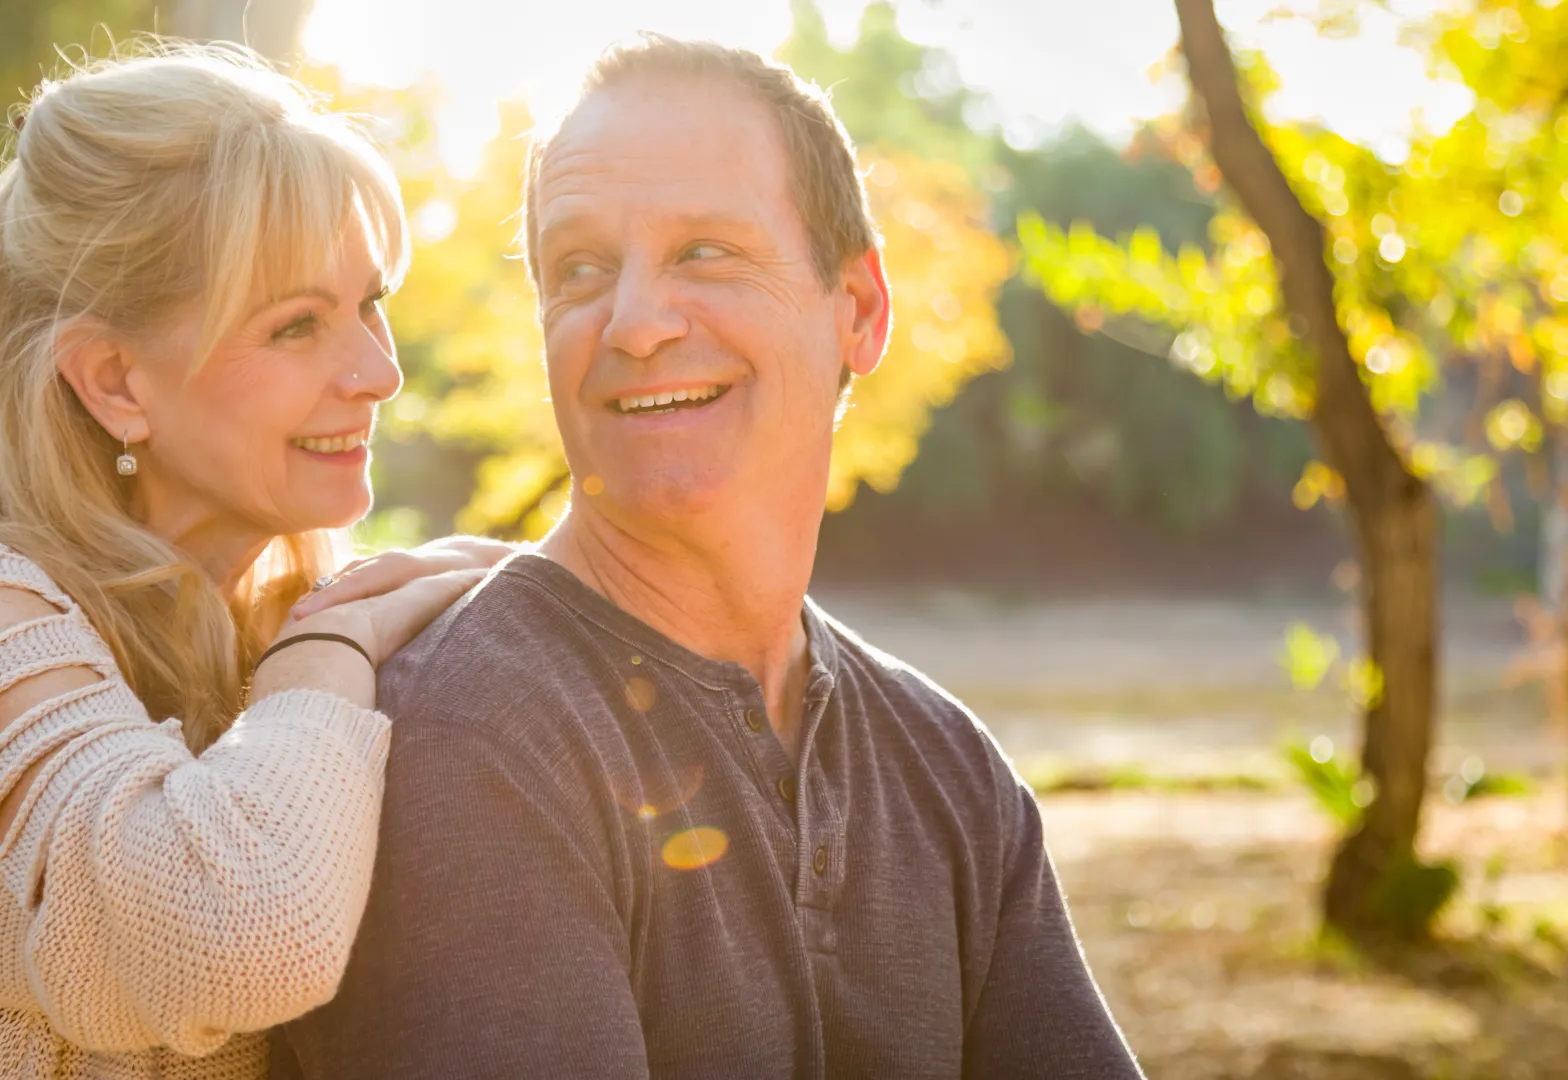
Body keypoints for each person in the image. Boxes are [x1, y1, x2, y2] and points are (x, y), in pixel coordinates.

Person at [281, 36, 1143, 1080]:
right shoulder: (475, 740)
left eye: (704, 253)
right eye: (581, 269)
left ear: (859, 312)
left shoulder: (949, 768)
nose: (635, 324)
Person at [0, 43, 510, 1078]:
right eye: (298, 325)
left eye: (372, 303)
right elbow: (239, 940)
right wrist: (328, 649)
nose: (381, 372)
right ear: (117, 381)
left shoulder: (263, 618)